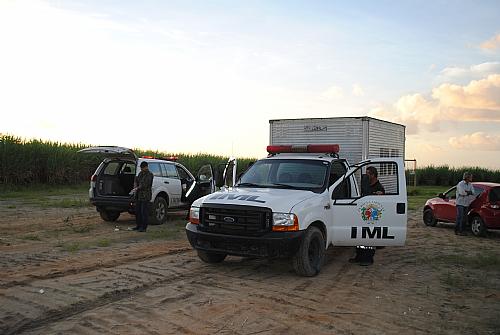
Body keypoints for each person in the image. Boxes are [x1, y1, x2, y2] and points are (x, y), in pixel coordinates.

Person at [349, 166, 385, 266]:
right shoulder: (366, 184)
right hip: (363, 213)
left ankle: (368, 259)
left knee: (369, 239)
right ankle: (359, 256)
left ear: (373, 175)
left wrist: (378, 194)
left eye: (368, 174)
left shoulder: (379, 187)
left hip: (372, 216)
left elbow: (380, 201)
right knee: (360, 237)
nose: (366, 175)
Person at [130, 161, 154, 232]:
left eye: (142, 168)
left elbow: (145, 184)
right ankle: (138, 226)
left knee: (144, 212)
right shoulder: (140, 173)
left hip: (145, 196)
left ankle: (144, 227)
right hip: (139, 196)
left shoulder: (150, 175)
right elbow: (137, 179)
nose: (141, 169)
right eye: (141, 168)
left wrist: (137, 188)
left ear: (146, 167)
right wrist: (135, 184)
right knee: (138, 212)